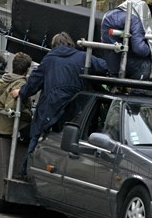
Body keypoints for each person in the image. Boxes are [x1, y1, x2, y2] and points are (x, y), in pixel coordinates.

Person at [11, 31, 109, 175]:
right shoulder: (82, 57)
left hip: (50, 109)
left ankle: (25, 172)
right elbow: (104, 66)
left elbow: (33, 83)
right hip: (76, 111)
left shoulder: (49, 59)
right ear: (71, 43)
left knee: (37, 138)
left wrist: (20, 92)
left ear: (54, 45)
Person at [0, 52, 33, 141]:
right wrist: (28, 114)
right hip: (14, 128)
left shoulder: (1, 80)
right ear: (27, 69)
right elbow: (10, 107)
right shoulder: (21, 83)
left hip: (0, 127)